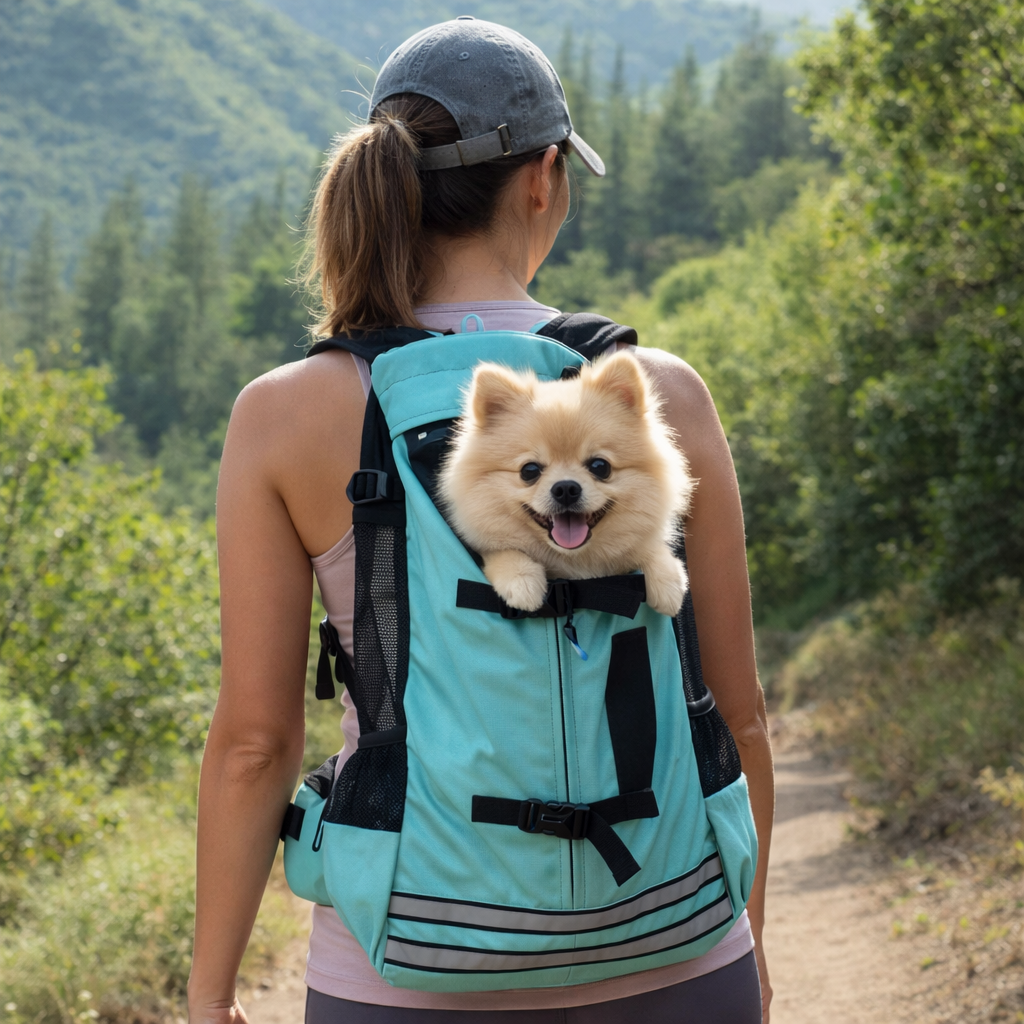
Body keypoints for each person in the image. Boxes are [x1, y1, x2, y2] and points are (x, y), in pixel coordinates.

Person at [188, 18, 774, 1024]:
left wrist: (209, 996)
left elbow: (253, 741)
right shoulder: (657, 394)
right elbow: (741, 712)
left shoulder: (284, 414)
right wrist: (750, 947)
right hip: (679, 946)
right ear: (542, 179)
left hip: (407, 965)